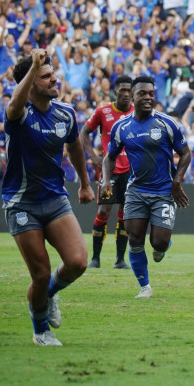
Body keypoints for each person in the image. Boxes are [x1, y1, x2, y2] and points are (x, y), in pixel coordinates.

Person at [3, 50, 94, 346]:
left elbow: (75, 147)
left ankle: (49, 296)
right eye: (46, 76)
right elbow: (14, 105)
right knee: (40, 274)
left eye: (53, 73)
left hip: (55, 199)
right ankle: (41, 330)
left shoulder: (65, 113)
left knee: (78, 262)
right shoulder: (18, 113)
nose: (55, 78)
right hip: (22, 203)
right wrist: (32, 65)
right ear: (30, 85)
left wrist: (83, 183)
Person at [102, 76, 191, 298]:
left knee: (158, 243)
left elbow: (186, 153)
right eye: (142, 93)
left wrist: (177, 180)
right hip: (136, 191)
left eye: (151, 93)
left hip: (163, 192)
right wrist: (105, 180)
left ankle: (162, 246)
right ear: (132, 96)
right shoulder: (121, 127)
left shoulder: (166, 123)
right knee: (134, 238)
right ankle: (145, 287)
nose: (148, 97)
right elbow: (109, 157)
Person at [80, 76, 134, 269]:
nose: (126, 94)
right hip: (109, 170)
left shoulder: (138, 113)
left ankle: (120, 260)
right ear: (116, 91)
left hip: (131, 171)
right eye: (123, 90)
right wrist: (94, 157)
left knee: (125, 214)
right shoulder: (103, 112)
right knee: (104, 210)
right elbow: (84, 132)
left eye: (129, 90)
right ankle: (95, 258)